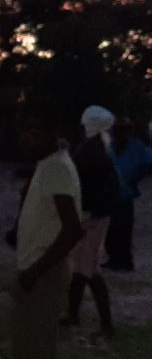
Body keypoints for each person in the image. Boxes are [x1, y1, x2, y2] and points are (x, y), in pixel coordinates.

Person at [11, 106, 83, 359]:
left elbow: (73, 230)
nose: (25, 136)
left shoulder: (56, 166)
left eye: (34, 129)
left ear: (54, 131)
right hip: (36, 274)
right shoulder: (48, 164)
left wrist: (35, 273)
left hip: (43, 277)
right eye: (23, 129)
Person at [62, 106, 120, 337]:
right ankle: (82, 317)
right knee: (87, 267)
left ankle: (90, 320)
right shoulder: (100, 148)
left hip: (91, 216)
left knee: (86, 268)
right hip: (97, 214)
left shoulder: (90, 150)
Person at [104, 118, 152, 271]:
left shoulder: (136, 146)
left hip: (125, 193)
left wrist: (135, 178)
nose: (118, 133)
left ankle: (124, 261)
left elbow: (148, 162)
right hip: (111, 193)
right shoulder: (110, 145)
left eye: (122, 130)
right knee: (111, 228)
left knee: (123, 228)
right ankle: (113, 258)